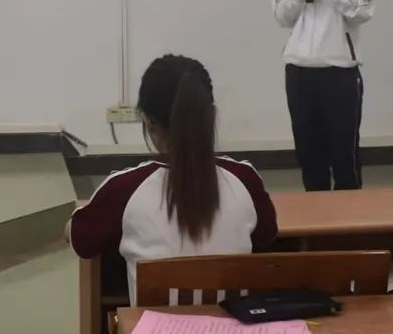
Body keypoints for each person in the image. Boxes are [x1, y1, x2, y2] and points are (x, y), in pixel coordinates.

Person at [67, 55, 277, 301]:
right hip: (232, 321)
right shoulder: (245, 179)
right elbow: (266, 236)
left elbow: (80, 240)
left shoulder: (123, 189)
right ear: (210, 115)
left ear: (148, 122)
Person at [273, 0, 374, 191]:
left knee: (344, 155)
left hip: (339, 71)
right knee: (308, 153)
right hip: (299, 70)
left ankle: (349, 213)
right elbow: (282, 17)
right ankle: (315, 212)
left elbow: (364, 11)